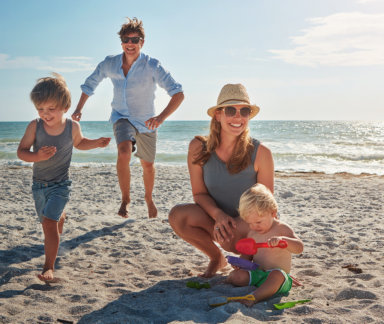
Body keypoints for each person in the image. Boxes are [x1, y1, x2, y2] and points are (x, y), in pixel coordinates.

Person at [71, 17, 184, 219]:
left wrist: (160, 118)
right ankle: (126, 199)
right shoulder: (110, 63)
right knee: (124, 152)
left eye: (135, 39)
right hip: (121, 117)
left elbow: (178, 94)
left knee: (147, 165)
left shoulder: (152, 65)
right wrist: (79, 109)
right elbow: (89, 84)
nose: (130, 44)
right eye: (126, 39)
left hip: (147, 120)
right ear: (121, 41)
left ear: (142, 42)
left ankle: (149, 198)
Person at [168, 83, 274, 278]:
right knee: (178, 216)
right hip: (215, 221)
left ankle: (247, 258)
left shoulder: (262, 153)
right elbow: (199, 194)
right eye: (231, 110)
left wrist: (237, 229)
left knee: (242, 276)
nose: (238, 117)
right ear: (218, 115)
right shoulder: (198, 147)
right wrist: (218, 216)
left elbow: (265, 207)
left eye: (244, 111)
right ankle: (217, 258)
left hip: (249, 227)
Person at [17, 73, 111, 282]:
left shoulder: (72, 127)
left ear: (65, 107)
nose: (45, 114)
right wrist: (37, 156)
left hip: (61, 184)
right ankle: (60, 216)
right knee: (50, 220)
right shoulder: (35, 126)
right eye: (41, 109)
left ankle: (48, 267)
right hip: (39, 186)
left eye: (51, 109)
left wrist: (95, 143)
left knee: (49, 224)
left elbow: (79, 143)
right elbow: (21, 151)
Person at [225, 183, 304, 306]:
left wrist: (284, 240)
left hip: (279, 277)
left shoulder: (282, 229)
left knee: (276, 275)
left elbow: (299, 247)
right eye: (249, 223)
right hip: (258, 275)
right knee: (236, 276)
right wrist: (240, 264)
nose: (254, 226)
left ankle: (254, 297)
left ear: (273, 213)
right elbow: (247, 256)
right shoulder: (252, 233)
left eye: (258, 222)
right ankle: (226, 281)